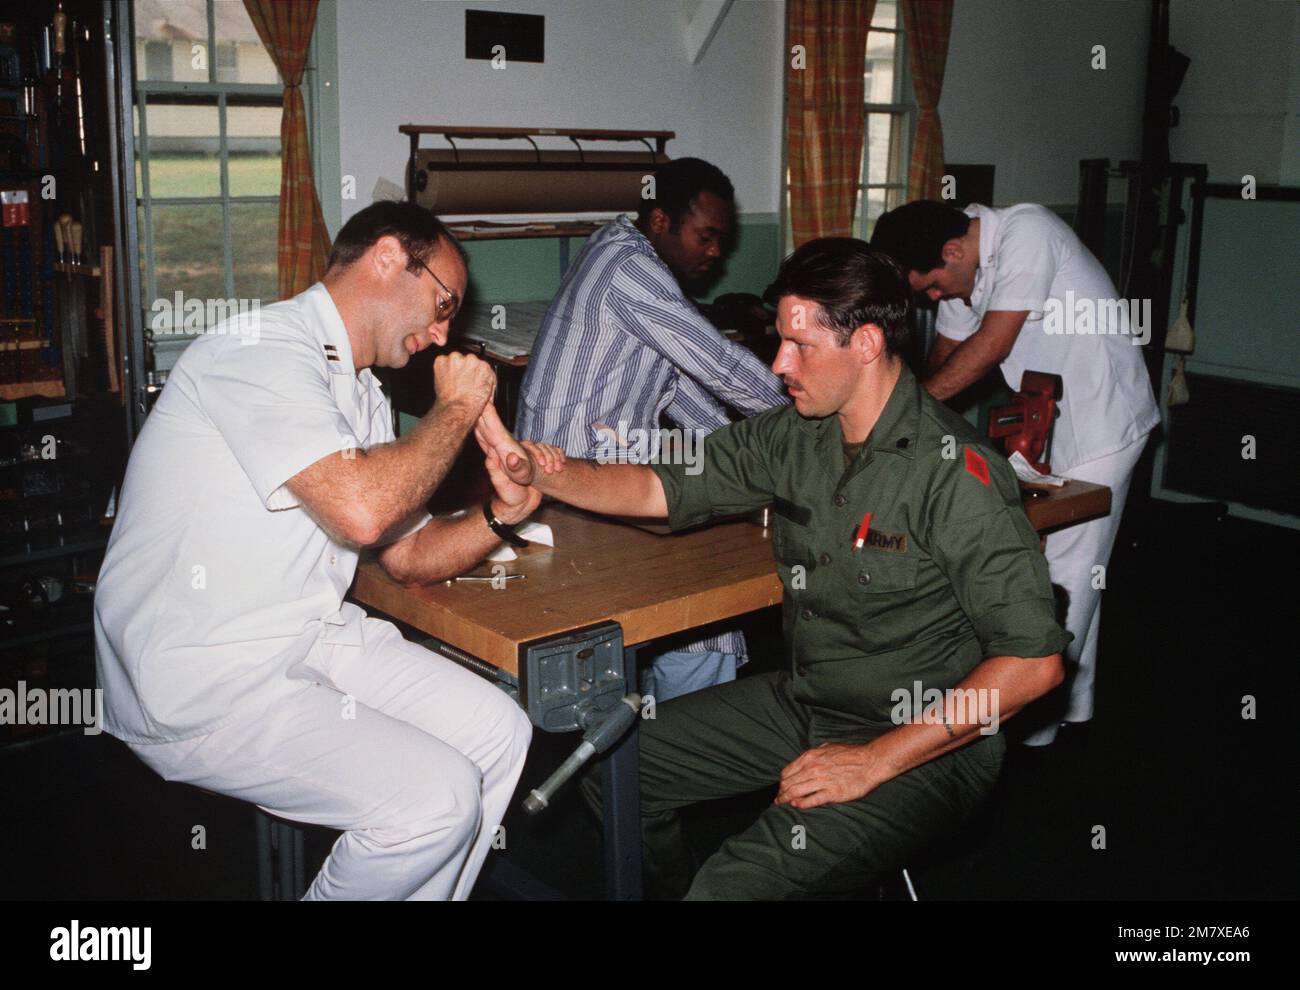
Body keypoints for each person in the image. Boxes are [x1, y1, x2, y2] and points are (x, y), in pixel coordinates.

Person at [476, 239, 1070, 899]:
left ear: (866, 343)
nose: (780, 363)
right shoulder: (798, 434)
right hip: (812, 699)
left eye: (800, 345)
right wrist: (546, 476)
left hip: (924, 741)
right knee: (619, 772)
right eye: (779, 341)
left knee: (733, 887)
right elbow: (662, 489)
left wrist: (873, 762)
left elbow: (1032, 665)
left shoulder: (956, 474)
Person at [94, 201, 536, 900]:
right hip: (200, 672)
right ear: (388, 257)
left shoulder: (361, 393)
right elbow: (361, 512)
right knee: (434, 803)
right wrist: (455, 409)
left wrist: (500, 513)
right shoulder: (260, 350)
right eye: (443, 303)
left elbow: (409, 552)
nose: (445, 330)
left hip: (303, 637)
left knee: (499, 733)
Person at [870, 200, 1159, 746]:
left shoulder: (1030, 231)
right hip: (1045, 422)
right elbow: (948, 355)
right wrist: (906, 417)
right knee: (1036, 556)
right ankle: (1070, 705)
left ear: (953, 251)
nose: (934, 298)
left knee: (1070, 570)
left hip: (1105, 421)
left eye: (931, 286)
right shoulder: (962, 269)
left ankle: (1033, 727)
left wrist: (897, 422)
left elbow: (991, 344)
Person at [515, 157, 788, 704]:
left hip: (590, 477)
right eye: (706, 236)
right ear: (660, 221)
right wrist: (797, 420)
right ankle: (675, 756)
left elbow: (671, 384)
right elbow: (718, 364)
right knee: (707, 628)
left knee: (702, 623)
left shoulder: (623, 251)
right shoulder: (629, 271)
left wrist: (750, 451)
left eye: (723, 240)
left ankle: (656, 749)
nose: (716, 253)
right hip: (572, 490)